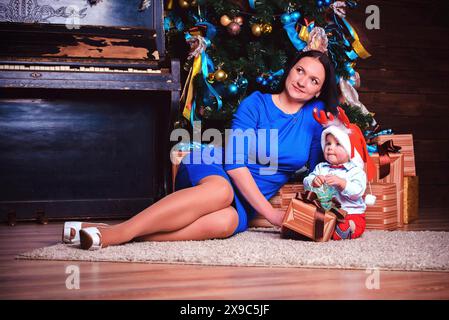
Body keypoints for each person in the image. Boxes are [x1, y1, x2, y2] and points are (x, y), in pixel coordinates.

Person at [62, 50, 339, 250]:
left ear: (318, 92)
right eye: (300, 70)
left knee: (227, 222)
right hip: (214, 167)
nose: (302, 81)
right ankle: (118, 235)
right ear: (290, 69)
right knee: (221, 190)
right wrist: (271, 214)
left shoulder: (316, 120)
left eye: (314, 80)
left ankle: (111, 233)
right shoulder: (256, 103)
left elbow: (322, 166)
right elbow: (234, 162)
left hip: (242, 202)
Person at [303, 107, 376, 240]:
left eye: (338, 144)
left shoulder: (355, 171)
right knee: (311, 218)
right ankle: (326, 228)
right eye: (328, 143)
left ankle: (345, 229)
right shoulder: (321, 168)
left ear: (349, 150)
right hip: (325, 212)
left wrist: (342, 183)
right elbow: (306, 182)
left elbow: (357, 191)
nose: (330, 147)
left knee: (352, 224)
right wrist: (313, 181)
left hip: (351, 213)